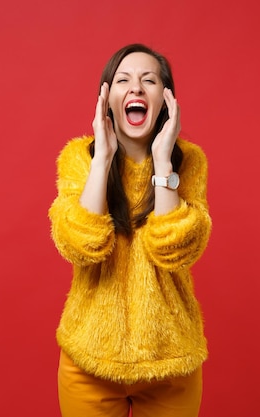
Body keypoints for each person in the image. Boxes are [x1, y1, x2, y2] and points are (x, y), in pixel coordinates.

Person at [48, 43, 212, 417]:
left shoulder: (188, 162)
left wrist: (161, 161)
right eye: (123, 79)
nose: (136, 88)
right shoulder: (80, 158)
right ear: (107, 98)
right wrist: (102, 158)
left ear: (166, 99)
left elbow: (175, 250)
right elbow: (80, 244)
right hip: (89, 362)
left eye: (149, 80)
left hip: (171, 363)